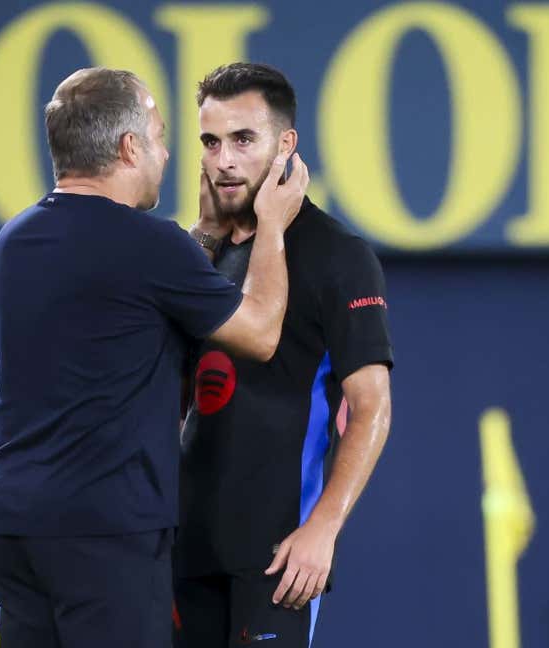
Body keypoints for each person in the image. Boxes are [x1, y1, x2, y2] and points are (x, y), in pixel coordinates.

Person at [0, 66, 308, 648]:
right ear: (129, 148)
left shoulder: (13, 241)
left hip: (13, 529)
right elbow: (260, 332)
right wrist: (274, 227)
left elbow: (128, 312)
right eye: (158, 137)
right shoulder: (147, 242)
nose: (167, 153)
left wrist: (204, 235)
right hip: (105, 532)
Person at [175, 62, 393, 647]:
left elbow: (371, 406)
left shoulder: (338, 255)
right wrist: (201, 236)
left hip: (275, 559)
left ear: (285, 144)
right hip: (178, 551)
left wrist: (324, 527)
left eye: (243, 140)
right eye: (211, 141)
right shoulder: (196, 253)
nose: (224, 160)